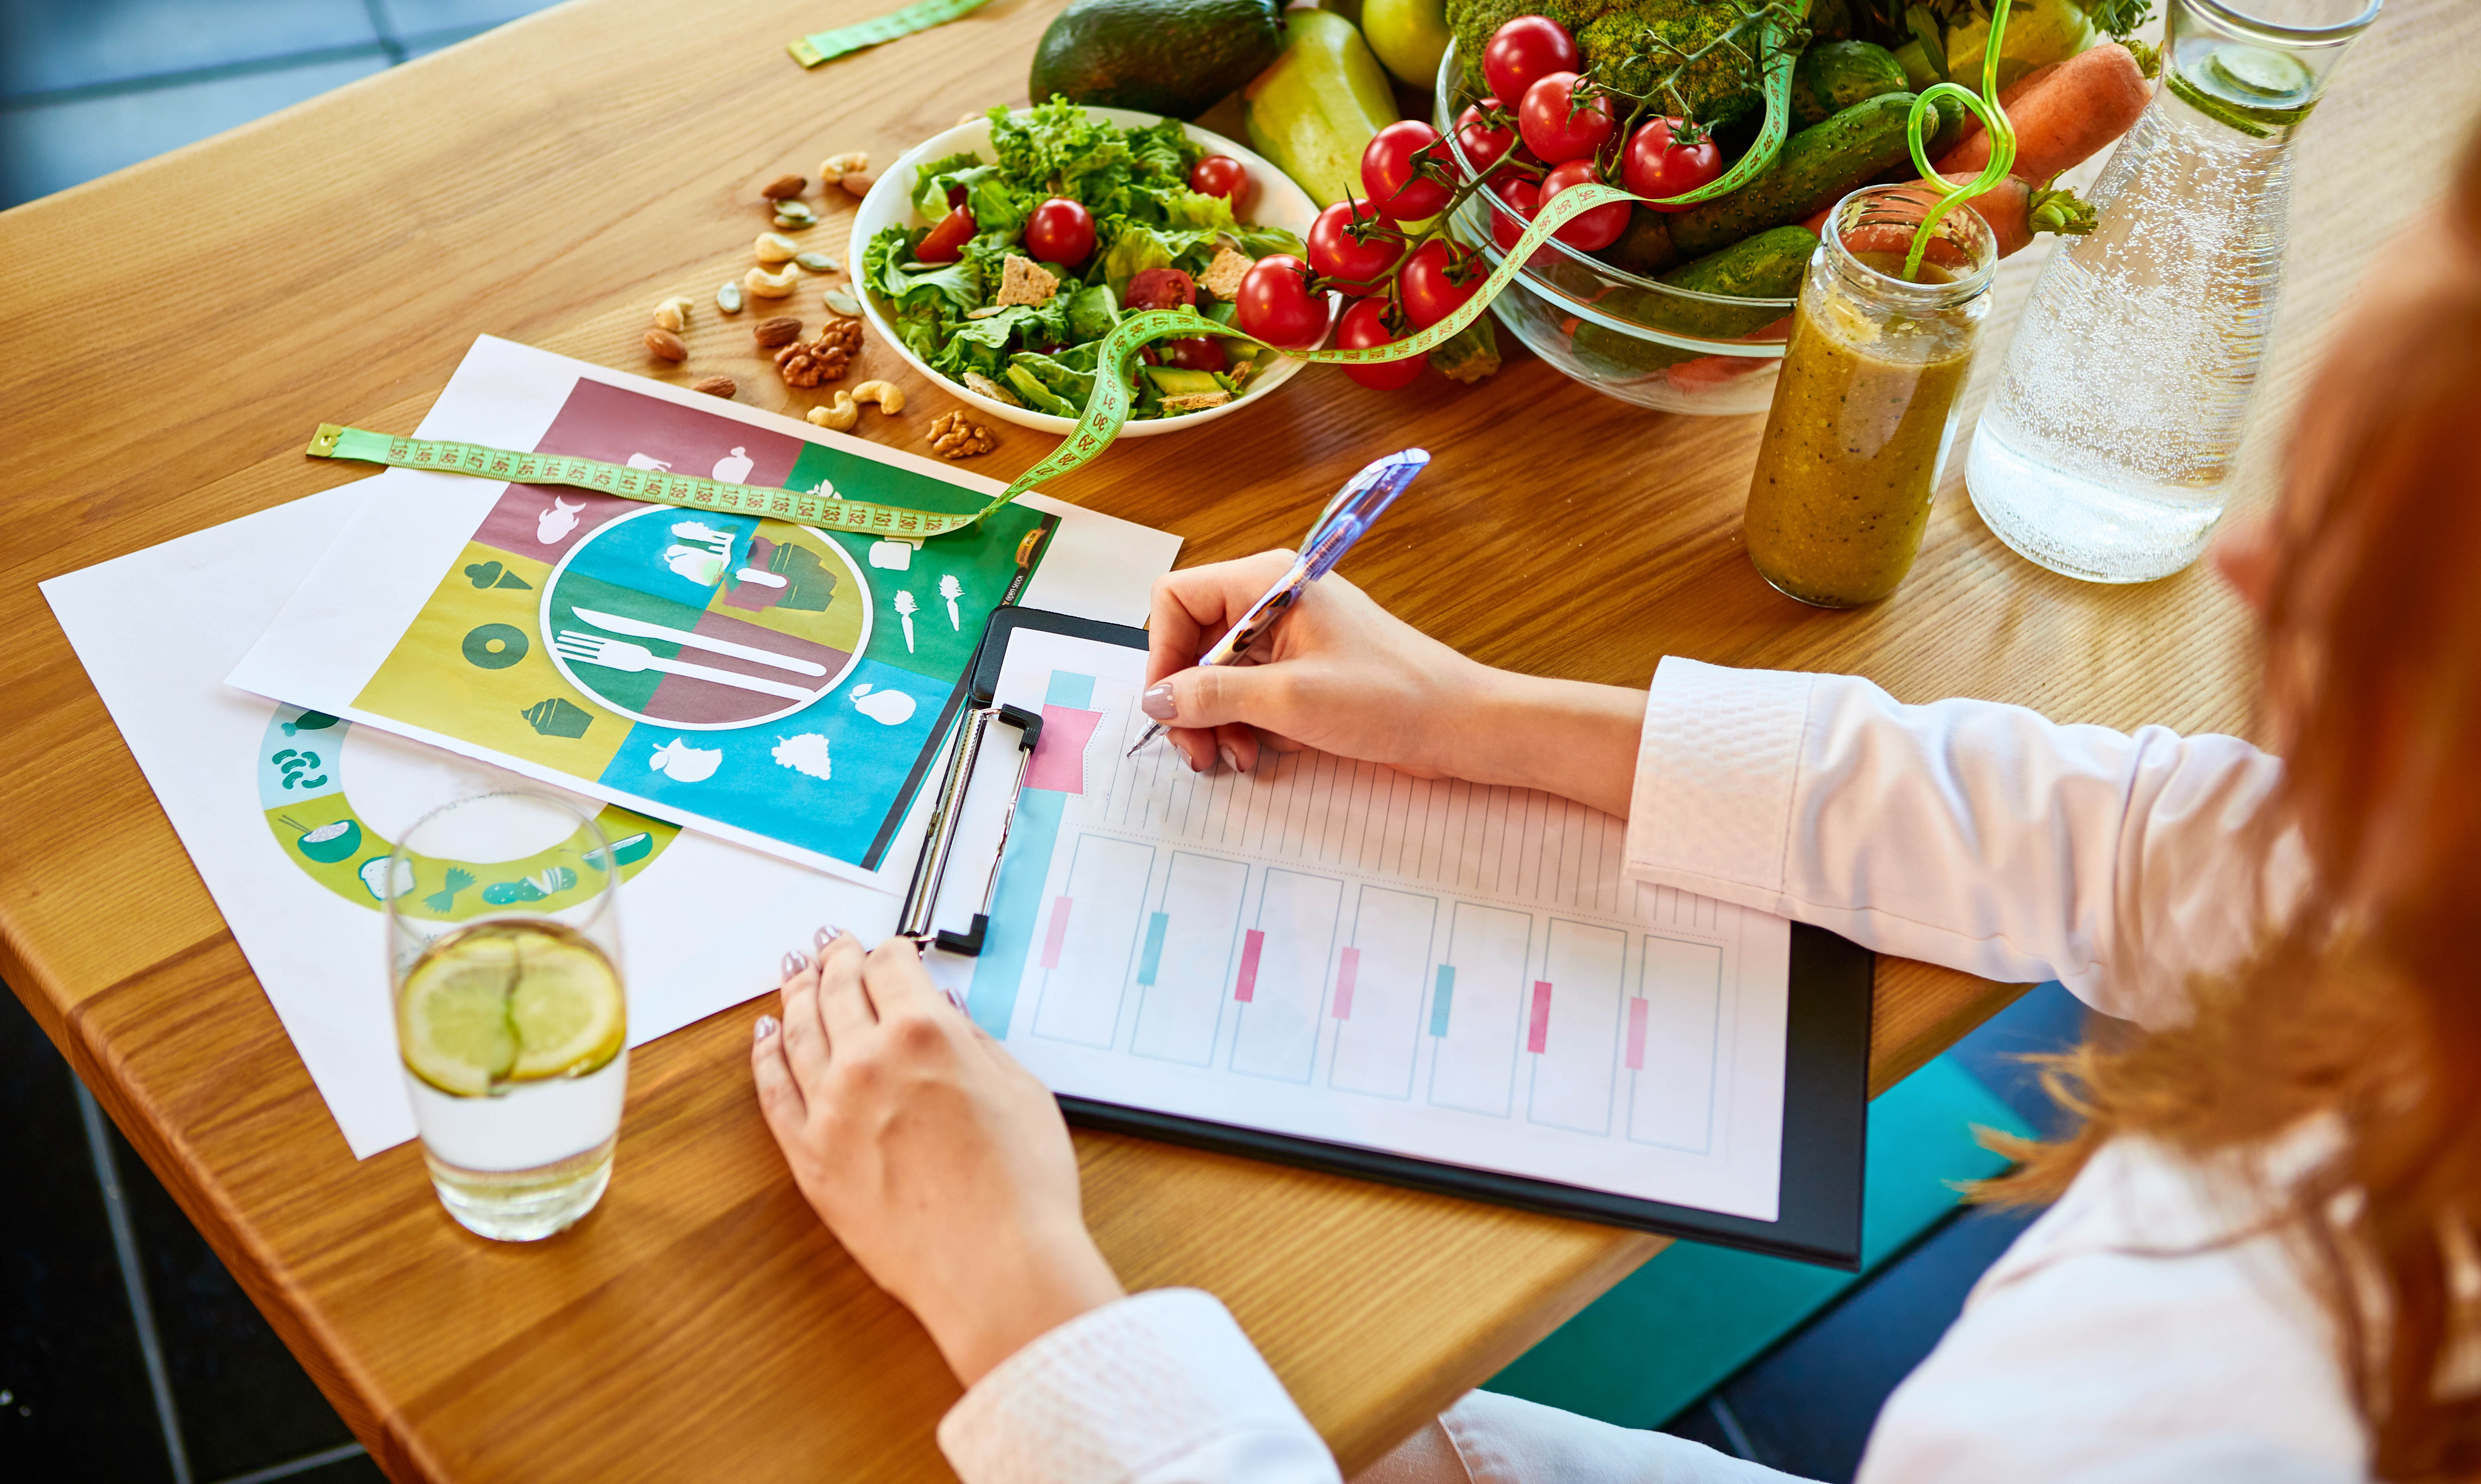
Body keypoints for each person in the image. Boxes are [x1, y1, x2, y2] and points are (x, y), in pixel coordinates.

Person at [747, 128, 2481, 1483]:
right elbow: (2150, 835)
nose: (2247, 557)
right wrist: (1490, 716)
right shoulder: (2413, 908)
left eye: (2379, 569)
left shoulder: (2249, 1408)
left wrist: (1018, 1293)